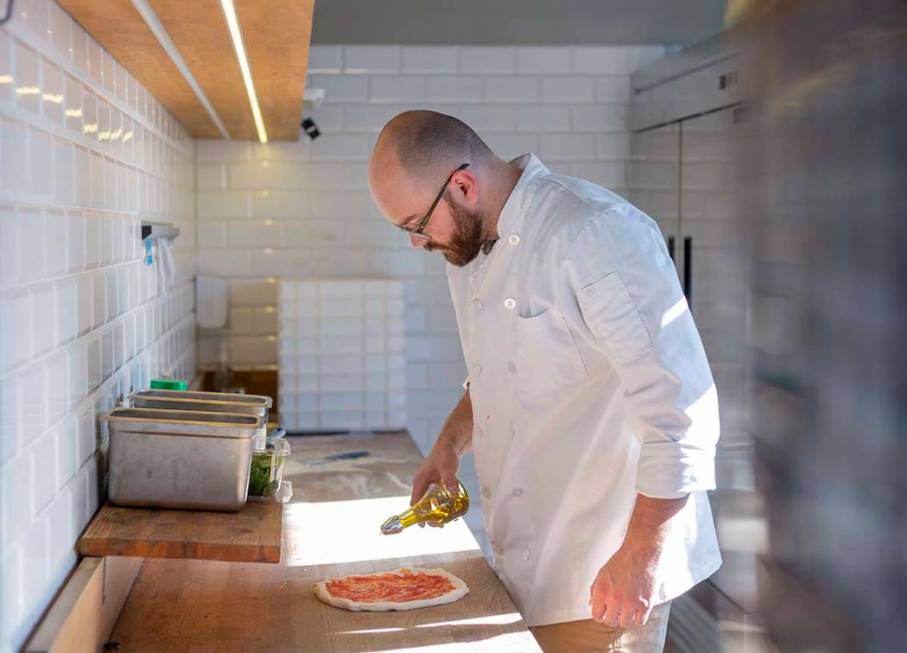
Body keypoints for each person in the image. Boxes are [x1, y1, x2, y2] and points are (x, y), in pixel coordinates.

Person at [368, 110, 722, 652]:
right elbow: (498, 370)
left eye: (416, 225)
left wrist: (640, 557)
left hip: (605, 573)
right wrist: (449, 444)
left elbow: (680, 413)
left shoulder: (593, 232)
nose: (418, 243)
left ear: (462, 185)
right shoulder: (466, 248)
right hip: (525, 564)